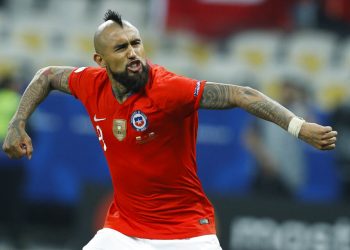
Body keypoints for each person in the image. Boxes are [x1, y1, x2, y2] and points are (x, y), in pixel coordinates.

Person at [2, 10, 337, 250]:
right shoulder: (88, 83)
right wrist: (17, 123)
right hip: (124, 232)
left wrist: (299, 126)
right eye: (121, 48)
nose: (133, 53)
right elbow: (46, 75)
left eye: (136, 43)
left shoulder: (168, 89)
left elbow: (241, 94)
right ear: (100, 60)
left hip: (187, 234)